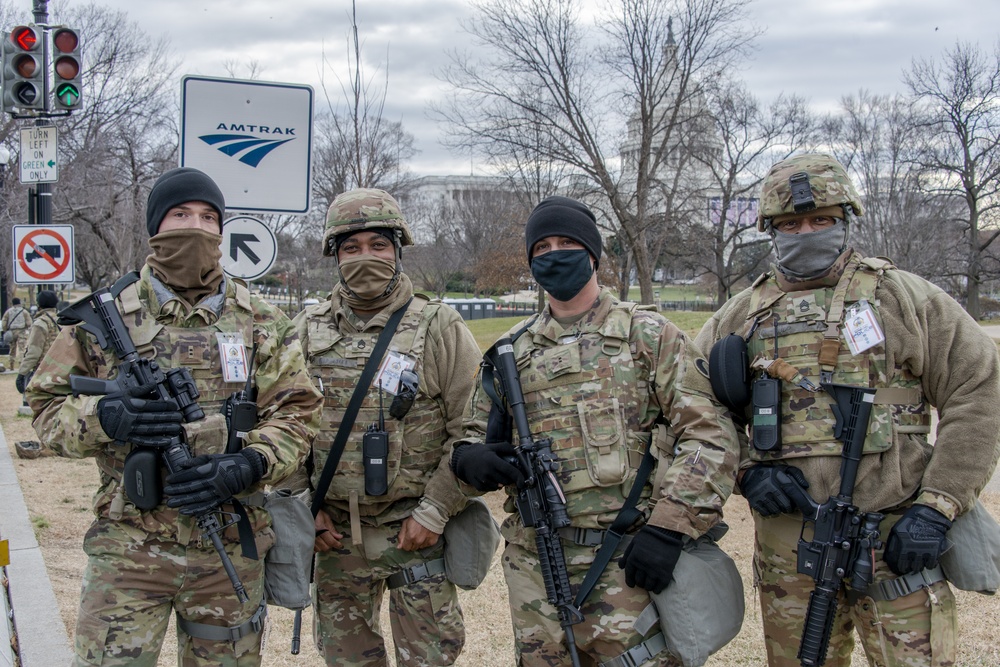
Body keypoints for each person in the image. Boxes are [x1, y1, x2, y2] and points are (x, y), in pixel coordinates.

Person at [695, 153, 1000, 667]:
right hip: (789, 542)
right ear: (771, 230)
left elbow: (979, 390)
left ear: (845, 221)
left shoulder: (904, 298)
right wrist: (747, 469)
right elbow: (693, 408)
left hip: (896, 534)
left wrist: (937, 507)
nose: (806, 232)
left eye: (822, 220)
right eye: (790, 224)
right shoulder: (740, 315)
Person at [26, 167, 323, 667]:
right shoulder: (109, 316)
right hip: (130, 548)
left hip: (229, 541)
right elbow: (45, 408)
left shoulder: (261, 320)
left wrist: (249, 464)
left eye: (210, 218)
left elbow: (298, 414)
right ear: (155, 229)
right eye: (181, 215)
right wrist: (107, 417)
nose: (197, 227)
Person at [450, 195, 740, 666]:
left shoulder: (648, 335)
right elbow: (469, 437)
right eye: (541, 247)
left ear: (592, 254)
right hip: (537, 563)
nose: (554, 254)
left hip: (629, 557)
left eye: (566, 242)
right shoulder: (509, 353)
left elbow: (711, 436)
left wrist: (669, 530)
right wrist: (469, 459)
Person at [282, 188, 481, 666]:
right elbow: (281, 425)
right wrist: (303, 507)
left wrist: (435, 510)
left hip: (416, 533)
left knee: (431, 658)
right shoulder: (305, 330)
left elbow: (474, 427)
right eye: (351, 247)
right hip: (335, 537)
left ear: (397, 249)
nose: (364, 256)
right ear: (334, 255)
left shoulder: (438, 325)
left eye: (378, 244)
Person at [16, 290, 60, 395]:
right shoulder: (62, 320)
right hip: (64, 370)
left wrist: (22, 373)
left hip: (45, 372)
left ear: (39, 304)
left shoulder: (40, 323)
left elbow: (34, 352)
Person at [2, 296, 32, 368]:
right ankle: (21, 363)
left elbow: (4, 322)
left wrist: (5, 330)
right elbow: (29, 323)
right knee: (22, 348)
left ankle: (11, 363)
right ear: (19, 303)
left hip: (12, 331)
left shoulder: (8, 311)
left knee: (12, 348)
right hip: (21, 331)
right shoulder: (24, 311)